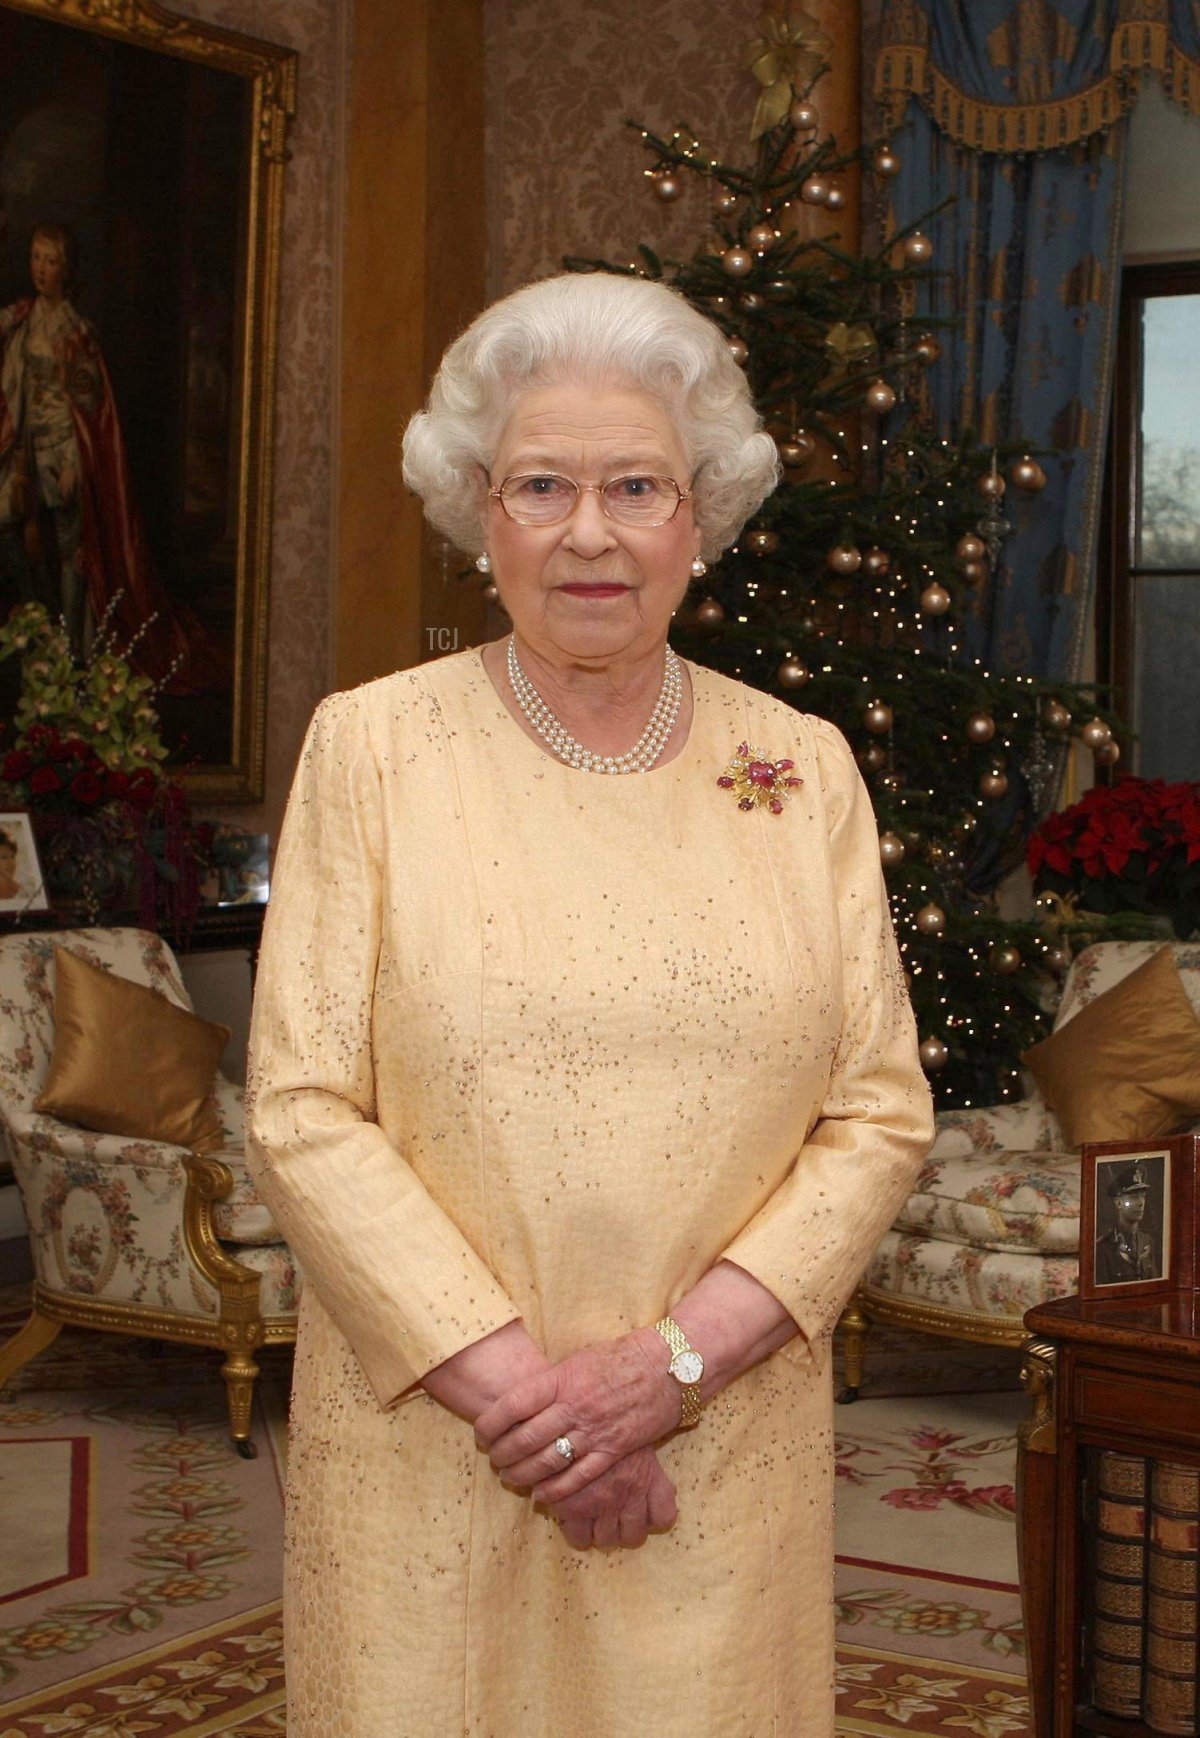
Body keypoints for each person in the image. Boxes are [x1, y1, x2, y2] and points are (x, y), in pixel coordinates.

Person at [247, 271, 934, 1737]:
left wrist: (667, 1373)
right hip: (436, 1442)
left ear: (702, 515)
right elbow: (304, 1107)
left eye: (637, 484)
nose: (590, 532)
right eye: (540, 484)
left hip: (721, 1445)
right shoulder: (369, 749)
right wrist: (545, 1409)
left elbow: (877, 1110)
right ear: (476, 512)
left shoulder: (801, 764)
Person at [0, 223, 215, 688]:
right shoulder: (21, 317)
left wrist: (77, 462)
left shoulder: (76, 332)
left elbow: (92, 410)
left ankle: (68, 642)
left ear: (66, 269)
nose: (40, 268)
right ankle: (41, 619)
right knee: (9, 528)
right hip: (25, 449)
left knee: (69, 543)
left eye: (50, 260)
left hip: (62, 450)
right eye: (36, 258)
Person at [1095, 1160, 1159, 1285]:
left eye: (1143, 1195)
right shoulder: (1104, 1248)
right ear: (1119, 1203)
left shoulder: (1147, 1241)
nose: (1141, 1202)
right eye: (1134, 1196)